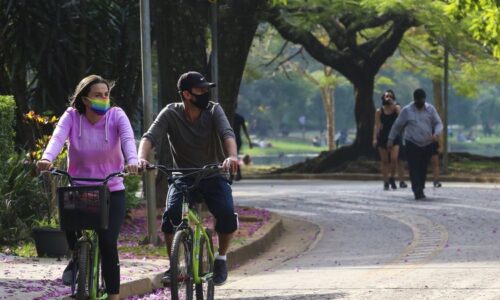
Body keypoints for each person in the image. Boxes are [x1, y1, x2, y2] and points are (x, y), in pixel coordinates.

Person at [36, 75, 139, 300]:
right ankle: (77, 256)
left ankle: (113, 295)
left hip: (112, 190)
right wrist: (47, 158)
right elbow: (57, 138)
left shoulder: (116, 115)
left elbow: (128, 139)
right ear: (84, 99)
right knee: (70, 227)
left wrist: (132, 161)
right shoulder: (72, 116)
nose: (104, 98)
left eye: (106, 94)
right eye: (97, 95)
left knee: (108, 243)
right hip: (79, 189)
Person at [137, 71, 239, 286]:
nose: (205, 93)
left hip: (213, 174)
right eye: (200, 90)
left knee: (226, 215)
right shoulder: (170, 113)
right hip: (183, 176)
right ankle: (174, 265)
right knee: (171, 217)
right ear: (186, 94)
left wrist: (232, 156)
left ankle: (221, 258)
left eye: (206, 89)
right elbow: (149, 137)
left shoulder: (213, 110)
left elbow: (227, 133)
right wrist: (141, 158)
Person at [388, 88, 443, 200]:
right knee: (414, 167)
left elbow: (438, 123)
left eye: (421, 101)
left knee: (423, 167)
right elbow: (397, 126)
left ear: (424, 99)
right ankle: (416, 190)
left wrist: (436, 134)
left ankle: (420, 187)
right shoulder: (407, 111)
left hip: (427, 143)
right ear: (414, 100)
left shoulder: (430, 109)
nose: (419, 104)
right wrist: (390, 139)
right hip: (411, 142)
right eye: (417, 101)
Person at [373, 89, 401, 190]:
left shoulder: (396, 108)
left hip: (395, 136)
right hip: (383, 136)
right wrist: (375, 138)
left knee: (394, 159)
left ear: (393, 97)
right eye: (386, 96)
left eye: (390, 96)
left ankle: (392, 177)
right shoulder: (379, 111)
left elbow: (401, 118)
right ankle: (385, 181)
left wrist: (394, 106)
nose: (388, 97)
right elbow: (376, 126)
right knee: (384, 161)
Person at [233, 110, 253, 181]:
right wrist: (249, 141)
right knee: (235, 156)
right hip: (237, 140)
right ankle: (236, 173)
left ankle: (236, 173)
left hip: (232, 139)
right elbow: (245, 130)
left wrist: (249, 141)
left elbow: (245, 130)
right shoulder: (239, 117)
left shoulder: (229, 117)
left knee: (233, 156)